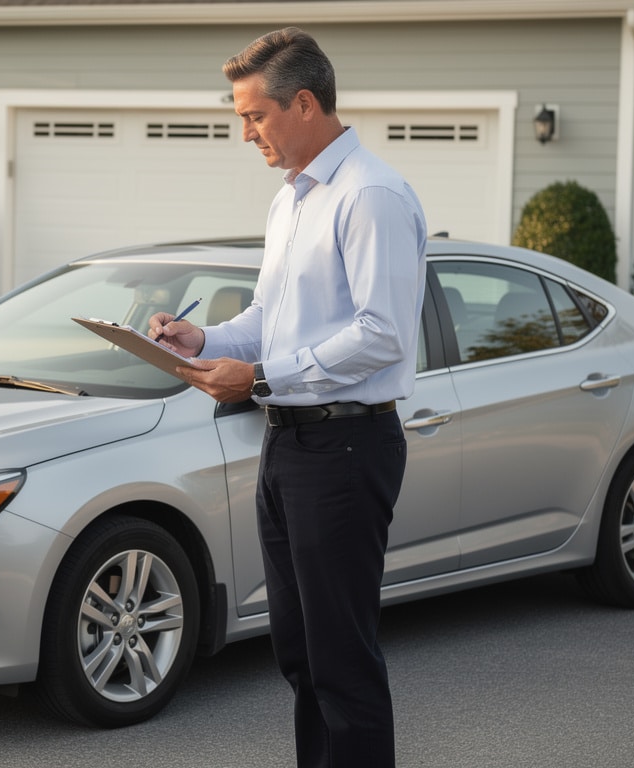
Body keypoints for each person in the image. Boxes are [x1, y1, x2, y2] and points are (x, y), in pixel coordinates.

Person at [149, 28, 427, 768]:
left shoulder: (370, 195)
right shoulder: (291, 202)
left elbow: (383, 334)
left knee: (341, 660)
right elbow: (270, 320)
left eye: (255, 116)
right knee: (300, 655)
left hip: (346, 445)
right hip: (289, 445)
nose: (247, 134)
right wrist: (200, 340)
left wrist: (264, 379)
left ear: (304, 104)